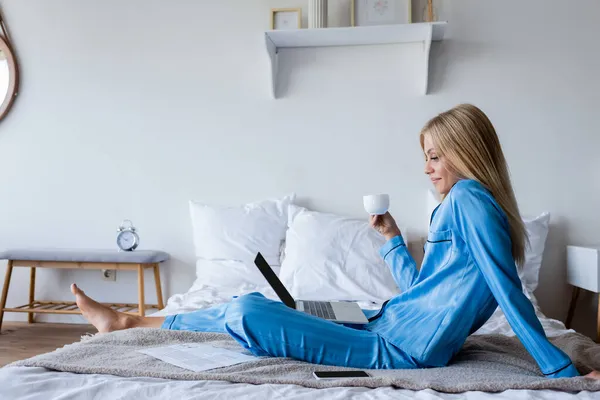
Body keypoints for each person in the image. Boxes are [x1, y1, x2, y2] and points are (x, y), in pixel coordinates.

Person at [71, 104, 599, 379]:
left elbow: (509, 292)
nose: (427, 167)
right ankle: (129, 321)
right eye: (427, 156)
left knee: (249, 312)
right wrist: (393, 240)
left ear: (465, 152)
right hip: (385, 324)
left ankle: (130, 321)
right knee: (249, 305)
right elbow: (424, 294)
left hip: (394, 350)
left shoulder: (469, 200)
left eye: (436, 155)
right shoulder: (462, 206)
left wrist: (558, 370)